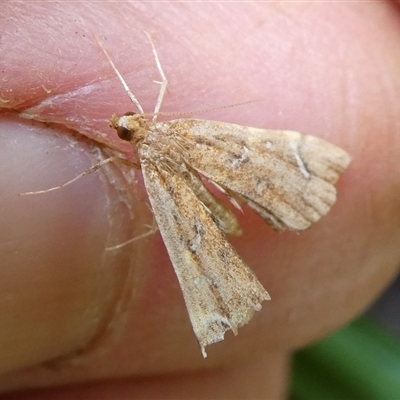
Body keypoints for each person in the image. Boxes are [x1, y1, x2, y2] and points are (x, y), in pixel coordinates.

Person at [1, 2, 400, 398]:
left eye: (126, 124)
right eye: (127, 128)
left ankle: (285, 208)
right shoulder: (171, 136)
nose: (124, 123)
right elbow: (158, 86)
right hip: (190, 163)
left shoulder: (156, 148)